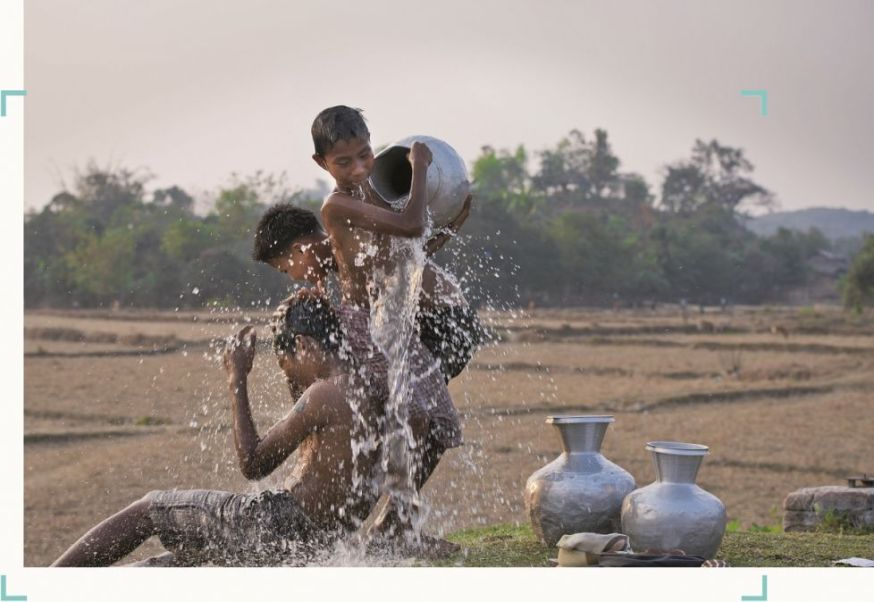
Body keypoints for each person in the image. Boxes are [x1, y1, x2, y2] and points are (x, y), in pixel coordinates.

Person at [52, 296, 387, 567]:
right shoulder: (366, 390)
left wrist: (236, 379)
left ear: (302, 344)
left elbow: (253, 463)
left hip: (273, 527)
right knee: (170, 565)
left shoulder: (324, 394)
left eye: (287, 365)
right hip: (312, 545)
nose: (291, 378)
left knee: (150, 508)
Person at [252, 203, 486, 383]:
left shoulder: (349, 246)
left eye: (286, 269)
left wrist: (451, 227)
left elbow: (411, 256)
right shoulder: (335, 267)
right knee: (388, 401)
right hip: (427, 323)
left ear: (300, 250)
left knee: (397, 400)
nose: (293, 277)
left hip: (448, 323)